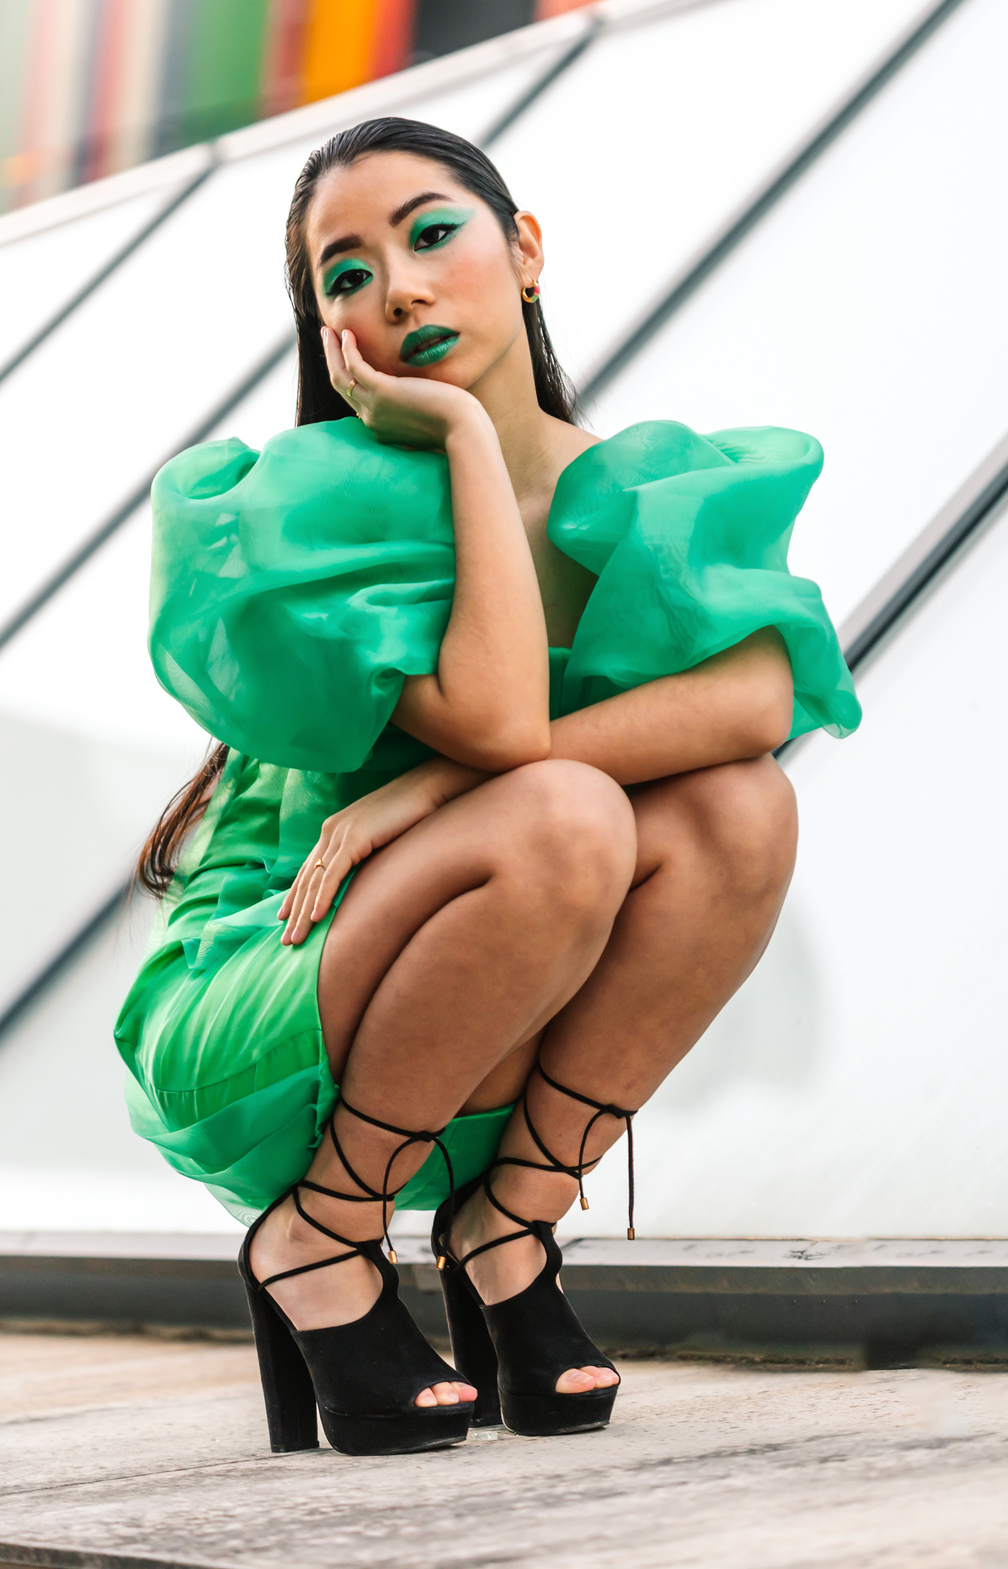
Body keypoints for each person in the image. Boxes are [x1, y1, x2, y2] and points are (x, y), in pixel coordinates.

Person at [115, 117, 860, 1458]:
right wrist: (460, 433)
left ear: (523, 247)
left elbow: (760, 698)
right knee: (570, 814)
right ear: (331, 335)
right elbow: (511, 727)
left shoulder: (637, 492)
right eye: (344, 275)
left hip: (483, 1016)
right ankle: (319, 1232)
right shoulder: (314, 509)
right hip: (274, 987)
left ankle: (508, 1222)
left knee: (744, 805)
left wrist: (425, 793)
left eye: (430, 232)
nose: (396, 285)